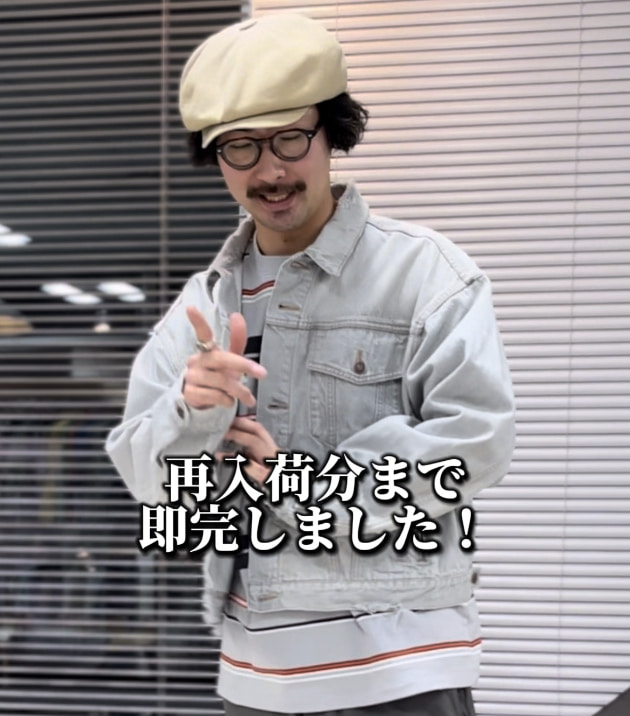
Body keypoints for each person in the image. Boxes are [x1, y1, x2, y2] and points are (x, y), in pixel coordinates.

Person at [106, 12, 515, 716]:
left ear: (332, 132)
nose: (269, 170)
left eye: (290, 138)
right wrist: (191, 415)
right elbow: (151, 484)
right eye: (240, 147)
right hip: (255, 678)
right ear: (216, 158)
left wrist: (302, 487)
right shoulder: (202, 305)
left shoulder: (430, 275)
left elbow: (474, 441)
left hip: (401, 672)